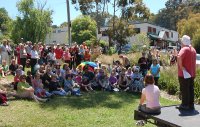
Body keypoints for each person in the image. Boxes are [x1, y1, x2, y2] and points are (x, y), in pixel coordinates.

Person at [176, 35, 196, 110]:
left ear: (183, 42)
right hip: (192, 73)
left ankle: (185, 105)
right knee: (191, 89)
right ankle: (191, 104)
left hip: (184, 74)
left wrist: (181, 67)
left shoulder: (184, 49)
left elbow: (179, 57)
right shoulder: (193, 49)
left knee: (184, 89)